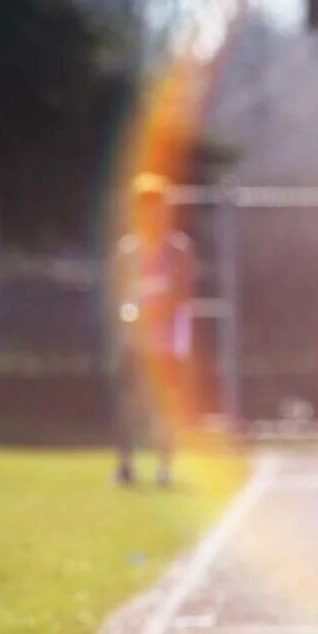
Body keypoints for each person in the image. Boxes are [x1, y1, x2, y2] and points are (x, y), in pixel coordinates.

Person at [112, 173, 195, 488]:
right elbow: (120, 294)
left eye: (155, 206)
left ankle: (164, 467)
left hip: (166, 344)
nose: (150, 213)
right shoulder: (128, 250)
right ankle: (125, 466)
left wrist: (152, 313)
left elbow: (181, 293)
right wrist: (130, 315)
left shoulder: (178, 249)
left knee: (165, 405)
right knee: (130, 403)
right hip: (134, 342)